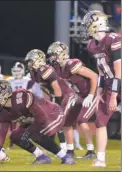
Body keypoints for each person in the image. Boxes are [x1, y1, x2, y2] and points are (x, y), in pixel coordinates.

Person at [0, 80, 75, 165]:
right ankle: (41, 157)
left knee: (35, 134)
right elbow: (1, 134)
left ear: (3, 93)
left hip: (52, 114)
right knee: (15, 136)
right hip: (34, 120)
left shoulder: (21, 97)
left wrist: (31, 130)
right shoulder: (1, 111)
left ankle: (66, 158)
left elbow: (40, 113)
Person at [81, 10, 121, 167]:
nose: (86, 28)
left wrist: (113, 96)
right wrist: (99, 91)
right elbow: (101, 70)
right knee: (100, 122)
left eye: (87, 25)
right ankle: (101, 159)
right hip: (111, 84)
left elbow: (119, 71)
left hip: (118, 81)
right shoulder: (92, 45)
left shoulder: (113, 39)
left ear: (96, 24)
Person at [46, 41, 98, 159]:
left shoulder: (72, 64)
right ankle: (70, 150)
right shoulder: (58, 68)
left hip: (92, 94)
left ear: (62, 54)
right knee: (66, 122)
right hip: (79, 95)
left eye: (54, 54)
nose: (52, 57)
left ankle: (91, 151)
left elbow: (94, 76)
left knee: (82, 120)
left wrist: (90, 95)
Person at [24, 49, 78, 152]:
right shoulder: (33, 73)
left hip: (66, 95)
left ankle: (68, 150)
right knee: (52, 119)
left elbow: (56, 87)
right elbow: (44, 88)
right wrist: (47, 104)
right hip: (56, 95)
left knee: (61, 121)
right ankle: (57, 148)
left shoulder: (46, 69)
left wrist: (56, 104)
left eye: (31, 61)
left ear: (38, 60)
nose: (29, 64)